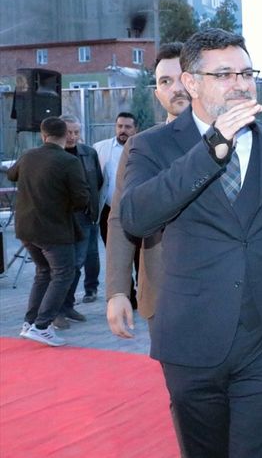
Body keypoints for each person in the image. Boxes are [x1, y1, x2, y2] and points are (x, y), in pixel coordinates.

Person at [120, 28, 262, 457]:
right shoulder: (152, 146)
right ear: (191, 83)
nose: (240, 84)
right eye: (225, 74)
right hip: (191, 336)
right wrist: (211, 147)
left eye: (247, 73)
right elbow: (136, 217)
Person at [106, 42, 189, 338]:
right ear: (157, 93)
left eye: (182, 77)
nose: (176, 88)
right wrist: (117, 291)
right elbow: (120, 218)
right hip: (163, 292)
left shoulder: (232, 140)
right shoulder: (141, 146)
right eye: (165, 81)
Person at [9, 117, 90, 347]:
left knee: (43, 272)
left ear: (43, 136)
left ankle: (29, 323)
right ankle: (42, 326)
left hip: (26, 229)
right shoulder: (69, 161)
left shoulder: (28, 156)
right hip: (54, 230)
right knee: (63, 274)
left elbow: (12, 174)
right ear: (65, 135)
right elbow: (81, 198)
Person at [56, 116, 103, 329]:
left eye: (76, 132)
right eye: (68, 132)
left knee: (78, 263)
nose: (72, 136)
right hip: (61, 219)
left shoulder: (89, 153)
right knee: (63, 266)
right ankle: (56, 310)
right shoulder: (53, 155)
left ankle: (67, 306)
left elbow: (97, 181)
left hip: (86, 216)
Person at [93, 111, 138, 303]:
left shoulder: (143, 146)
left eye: (127, 127)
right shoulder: (100, 148)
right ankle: (127, 295)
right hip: (109, 211)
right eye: (120, 126)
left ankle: (143, 293)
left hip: (137, 210)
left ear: (135, 129)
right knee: (117, 254)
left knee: (140, 255)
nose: (123, 130)